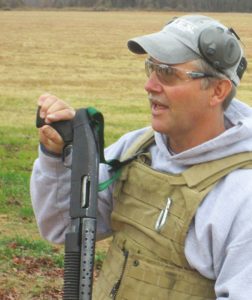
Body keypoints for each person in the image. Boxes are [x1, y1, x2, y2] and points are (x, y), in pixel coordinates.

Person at [30, 14, 252, 299]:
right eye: (151, 67)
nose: (150, 86)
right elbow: (60, 226)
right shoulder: (137, 149)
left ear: (218, 90)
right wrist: (57, 155)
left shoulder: (242, 196)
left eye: (168, 73)